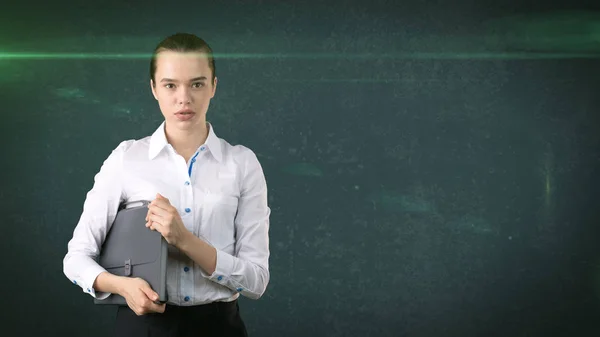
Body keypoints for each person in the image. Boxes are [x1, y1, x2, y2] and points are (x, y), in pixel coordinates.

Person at [62, 32, 271, 337]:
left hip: (219, 328)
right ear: (154, 89)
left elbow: (256, 281)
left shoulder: (242, 163)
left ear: (214, 86)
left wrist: (185, 240)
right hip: (142, 327)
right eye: (170, 85)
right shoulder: (126, 159)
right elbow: (76, 258)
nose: (183, 98)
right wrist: (122, 286)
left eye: (197, 84)